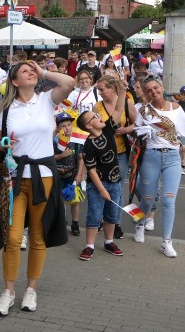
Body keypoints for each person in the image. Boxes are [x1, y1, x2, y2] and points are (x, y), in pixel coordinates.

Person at [0, 60, 74, 316]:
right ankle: (8, 292)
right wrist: (2, 144)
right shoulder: (5, 110)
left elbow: (69, 82)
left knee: (38, 236)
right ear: (14, 81)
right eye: (25, 70)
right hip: (14, 179)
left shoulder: (47, 100)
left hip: (44, 175)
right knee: (13, 238)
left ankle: (31, 290)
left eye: (33, 70)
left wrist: (44, 71)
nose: (31, 72)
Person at [132, 75, 185, 258]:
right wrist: (142, 133)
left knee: (169, 200)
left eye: (156, 88)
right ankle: (140, 224)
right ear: (146, 94)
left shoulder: (177, 108)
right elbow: (136, 132)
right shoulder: (145, 111)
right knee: (147, 199)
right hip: (151, 156)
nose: (153, 92)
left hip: (172, 157)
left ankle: (166, 241)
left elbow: (183, 134)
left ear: (161, 87)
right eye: (149, 90)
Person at [76, 78, 127, 261]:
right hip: (98, 185)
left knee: (111, 215)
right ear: (89, 126)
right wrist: (102, 189)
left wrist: (121, 91)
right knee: (94, 215)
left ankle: (109, 241)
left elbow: (119, 110)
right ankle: (89, 246)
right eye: (94, 117)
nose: (99, 116)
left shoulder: (107, 130)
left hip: (115, 181)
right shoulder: (88, 145)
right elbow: (91, 171)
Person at [94, 75, 137, 238]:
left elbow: (137, 123)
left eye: (102, 89)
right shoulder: (97, 107)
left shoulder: (126, 103)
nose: (100, 93)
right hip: (103, 154)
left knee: (117, 188)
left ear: (112, 88)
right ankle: (101, 221)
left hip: (121, 152)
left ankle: (115, 223)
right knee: (103, 187)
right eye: (98, 90)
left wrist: (126, 130)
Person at [53, 112, 83, 236]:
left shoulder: (77, 140)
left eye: (69, 125)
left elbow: (81, 158)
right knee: (59, 200)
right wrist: (61, 155)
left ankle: (75, 223)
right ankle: (61, 221)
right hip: (58, 174)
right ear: (58, 128)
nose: (67, 128)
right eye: (63, 125)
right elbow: (49, 157)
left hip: (73, 174)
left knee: (74, 200)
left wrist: (79, 175)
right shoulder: (55, 140)